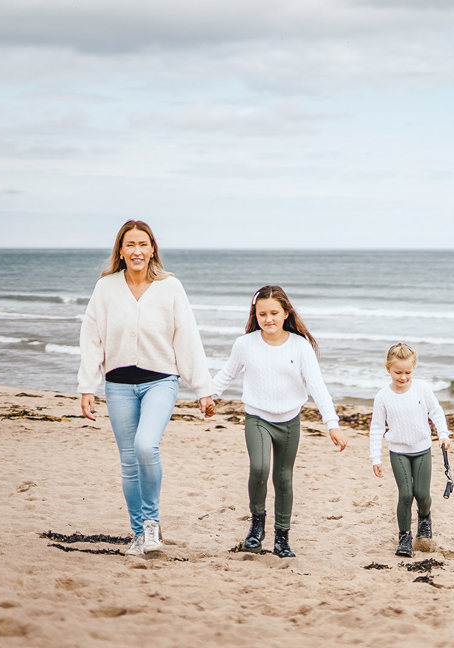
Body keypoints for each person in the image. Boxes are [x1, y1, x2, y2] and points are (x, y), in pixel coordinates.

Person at [78, 220, 216, 556]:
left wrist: (202, 388)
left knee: (145, 446)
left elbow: (187, 336)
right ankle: (138, 533)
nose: (137, 251)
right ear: (121, 252)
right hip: (118, 384)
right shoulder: (106, 288)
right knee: (128, 461)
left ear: (152, 248)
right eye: (130, 245)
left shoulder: (170, 287)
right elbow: (91, 337)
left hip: (160, 381)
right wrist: (87, 386)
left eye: (143, 244)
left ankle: (152, 525)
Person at [212, 285, 348, 558]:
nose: (268, 319)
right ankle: (257, 525)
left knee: (283, 479)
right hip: (257, 417)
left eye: (274, 312)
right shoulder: (245, 344)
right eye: (262, 314)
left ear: (286, 313)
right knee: (260, 469)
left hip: (289, 421)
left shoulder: (300, 347)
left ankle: (282, 538)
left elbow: (317, 386)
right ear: (256, 314)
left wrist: (332, 424)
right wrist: (209, 396)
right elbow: (227, 374)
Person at [368, 343, 451, 558]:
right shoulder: (382, 396)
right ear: (388, 369)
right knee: (405, 494)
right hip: (398, 451)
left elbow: (436, 411)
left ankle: (425, 520)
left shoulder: (422, 388)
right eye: (398, 372)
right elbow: (376, 428)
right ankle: (404, 536)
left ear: (414, 368)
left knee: (422, 494)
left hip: (422, 449)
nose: (403, 377)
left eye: (408, 372)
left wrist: (443, 435)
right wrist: (375, 457)